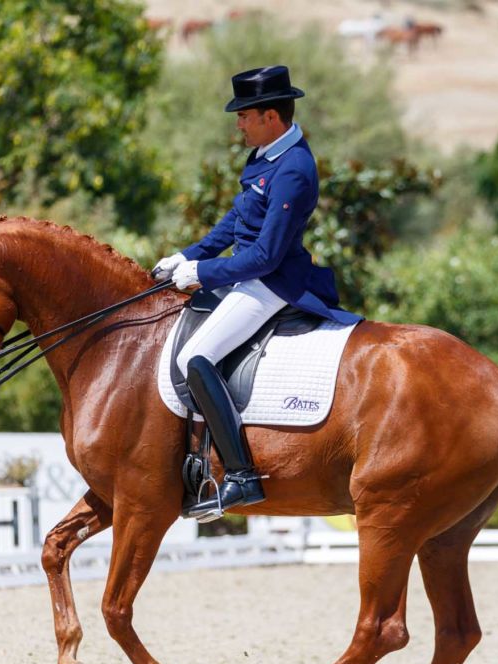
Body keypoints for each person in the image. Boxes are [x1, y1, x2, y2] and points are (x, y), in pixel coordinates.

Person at [151, 65, 360, 518]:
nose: (238, 124)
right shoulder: (265, 154)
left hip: (272, 283)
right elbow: (236, 223)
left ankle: (242, 476)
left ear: (270, 116)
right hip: (244, 274)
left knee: (194, 358)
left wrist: (203, 273)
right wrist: (183, 257)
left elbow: (266, 255)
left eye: (244, 115)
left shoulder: (295, 168)